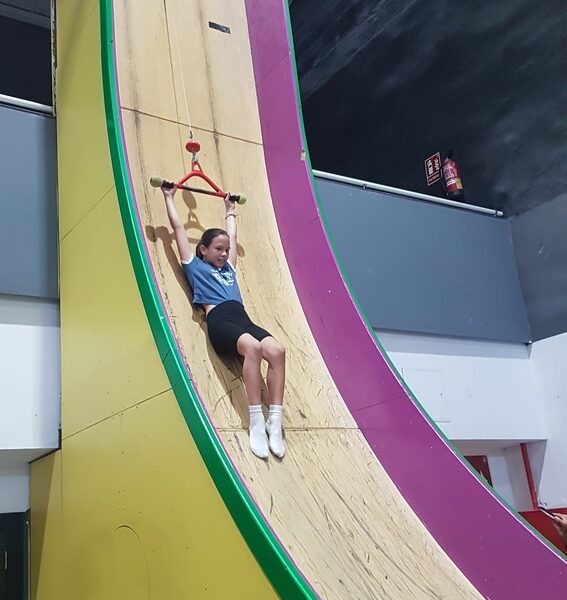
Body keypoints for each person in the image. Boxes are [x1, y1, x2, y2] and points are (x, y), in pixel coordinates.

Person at [161, 184, 286, 459]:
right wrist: (168, 196)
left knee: (277, 351)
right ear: (203, 250)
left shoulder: (229, 268)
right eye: (218, 249)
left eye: (226, 250)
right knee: (253, 347)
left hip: (243, 319)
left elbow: (232, 235)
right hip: (220, 321)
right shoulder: (195, 266)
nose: (223, 253)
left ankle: (274, 422)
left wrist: (230, 210)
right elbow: (179, 229)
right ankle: (256, 421)